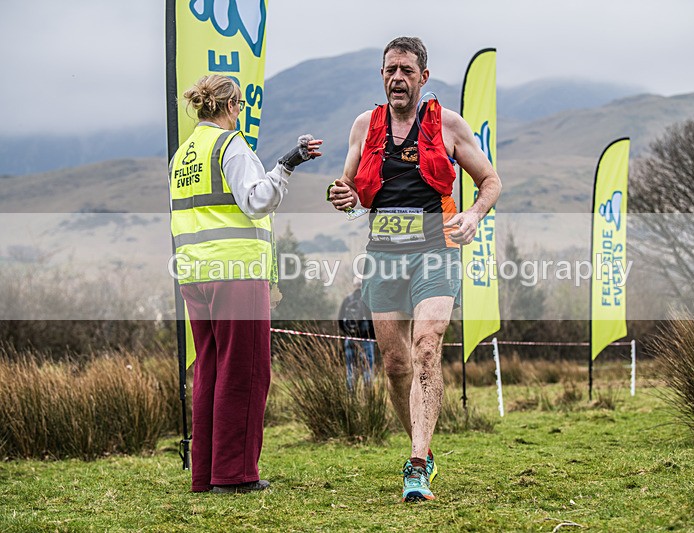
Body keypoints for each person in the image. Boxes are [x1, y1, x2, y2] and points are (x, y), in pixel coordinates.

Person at [327, 37, 502, 502]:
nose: (397, 78)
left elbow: (490, 181)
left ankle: (418, 464)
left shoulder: (448, 125)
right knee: (395, 364)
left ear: (423, 77)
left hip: (436, 251)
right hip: (384, 256)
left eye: (406, 70)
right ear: (382, 76)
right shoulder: (365, 126)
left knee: (426, 347)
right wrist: (343, 197)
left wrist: (473, 214)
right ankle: (418, 444)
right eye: (389, 70)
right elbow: (349, 190)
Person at [169, 74, 323, 493]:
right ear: (232, 105)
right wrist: (287, 164)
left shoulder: (183, 156)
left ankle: (206, 473)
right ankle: (235, 475)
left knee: (210, 372)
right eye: (240, 104)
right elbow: (257, 200)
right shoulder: (230, 145)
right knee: (246, 371)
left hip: (195, 274)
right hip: (236, 273)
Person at [337, 276, 376, 389]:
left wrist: (348, 334)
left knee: (350, 369)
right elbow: (373, 321)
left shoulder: (347, 299)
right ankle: (369, 399)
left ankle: (351, 399)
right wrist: (372, 336)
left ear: (354, 285)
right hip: (366, 340)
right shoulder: (368, 300)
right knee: (367, 370)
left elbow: (340, 320)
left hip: (350, 339)